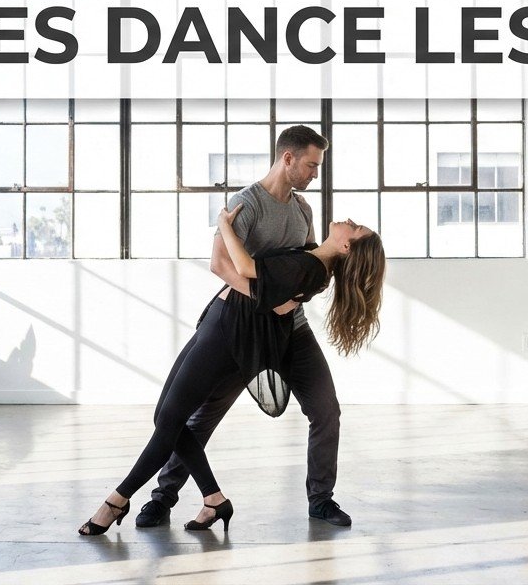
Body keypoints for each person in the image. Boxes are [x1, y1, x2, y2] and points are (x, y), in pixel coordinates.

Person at [78, 202, 385, 536]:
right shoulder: (310, 252)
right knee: (171, 418)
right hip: (224, 322)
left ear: (346, 246)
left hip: (234, 331)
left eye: (355, 228)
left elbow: (241, 267)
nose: (351, 221)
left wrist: (223, 224)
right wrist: (265, 293)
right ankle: (209, 498)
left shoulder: (311, 268)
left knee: (171, 419)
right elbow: (260, 286)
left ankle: (118, 499)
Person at [134, 125, 361, 529]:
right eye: (311, 165)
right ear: (287, 158)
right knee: (203, 416)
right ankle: (162, 497)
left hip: (292, 327)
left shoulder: (302, 210)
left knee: (327, 411)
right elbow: (220, 265)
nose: (314, 174)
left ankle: (321, 500)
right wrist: (267, 300)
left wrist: (290, 301)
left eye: (318, 167)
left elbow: (306, 263)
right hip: (246, 329)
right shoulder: (247, 203)